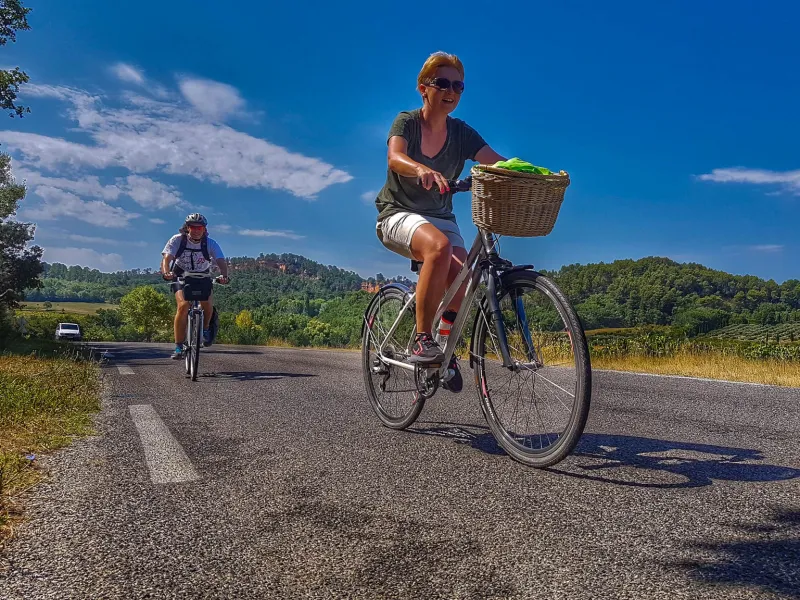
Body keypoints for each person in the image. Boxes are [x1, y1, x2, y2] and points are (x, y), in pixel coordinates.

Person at [374, 51, 506, 392]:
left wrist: (530, 173)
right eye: (443, 83)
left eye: (458, 86)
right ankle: (421, 339)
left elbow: (496, 162)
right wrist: (422, 169)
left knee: (467, 275)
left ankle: (442, 341)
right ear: (424, 88)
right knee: (440, 246)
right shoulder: (407, 122)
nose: (452, 91)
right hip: (397, 213)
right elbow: (395, 157)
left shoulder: (462, 133)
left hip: (440, 217)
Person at [161, 213, 229, 359]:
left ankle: (205, 330)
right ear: (187, 228)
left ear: (204, 229)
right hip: (180, 274)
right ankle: (179, 346)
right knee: (183, 306)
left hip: (202, 274)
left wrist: (224, 275)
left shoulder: (210, 243)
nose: (197, 230)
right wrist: (167, 272)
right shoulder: (177, 240)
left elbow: (221, 260)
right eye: (193, 227)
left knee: (207, 303)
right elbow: (167, 258)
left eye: (200, 227)